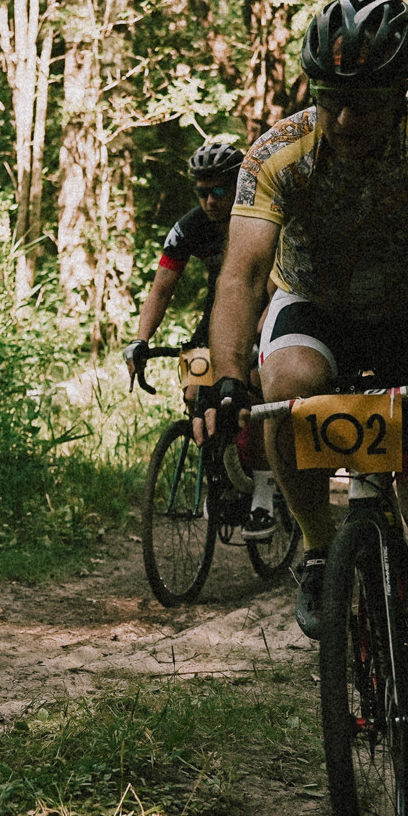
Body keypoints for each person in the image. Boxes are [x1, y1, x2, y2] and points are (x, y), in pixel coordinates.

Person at [192, 0, 408, 798]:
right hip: (317, 308)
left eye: (363, 103)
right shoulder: (279, 152)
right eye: (328, 98)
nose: (344, 119)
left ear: (401, 95)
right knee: (285, 389)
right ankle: (321, 548)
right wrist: (226, 376)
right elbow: (241, 276)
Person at [124, 139, 280, 539]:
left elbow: (279, 283)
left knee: (254, 390)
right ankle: (220, 475)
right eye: (202, 192)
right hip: (215, 320)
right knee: (195, 390)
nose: (209, 201)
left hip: (266, 312)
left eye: (219, 191)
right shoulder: (189, 227)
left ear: (238, 186)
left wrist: (258, 336)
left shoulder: (262, 216)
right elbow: (161, 289)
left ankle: (264, 491)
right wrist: (141, 340)